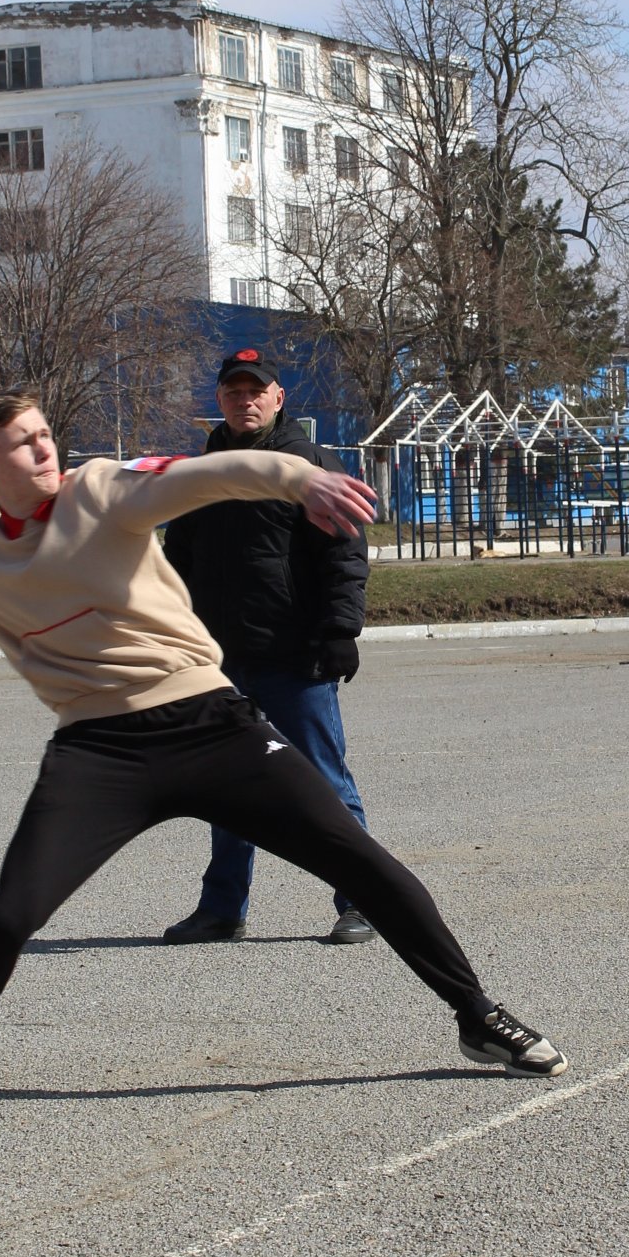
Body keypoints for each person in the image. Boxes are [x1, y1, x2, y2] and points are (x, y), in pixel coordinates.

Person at [0, 391, 568, 1104]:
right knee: (13, 910)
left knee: (365, 863)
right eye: (23, 442)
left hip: (212, 723)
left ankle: (477, 1016)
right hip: (99, 751)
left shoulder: (103, 490)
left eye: (46, 433)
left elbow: (204, 477)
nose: (45, 448)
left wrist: (297, 477)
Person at [161, 348, 373, 947]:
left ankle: (362, 899)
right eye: (233, 390)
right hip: (219, 661)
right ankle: (222, 908)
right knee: (228, 789)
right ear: (220, 399)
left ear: (279, 397)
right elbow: (177, 565)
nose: (244, 399)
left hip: (294, 656)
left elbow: (343, 555)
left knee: (323, 784)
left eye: (257, 390)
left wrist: (339, 632)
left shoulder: (309, 466)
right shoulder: (201, 472)